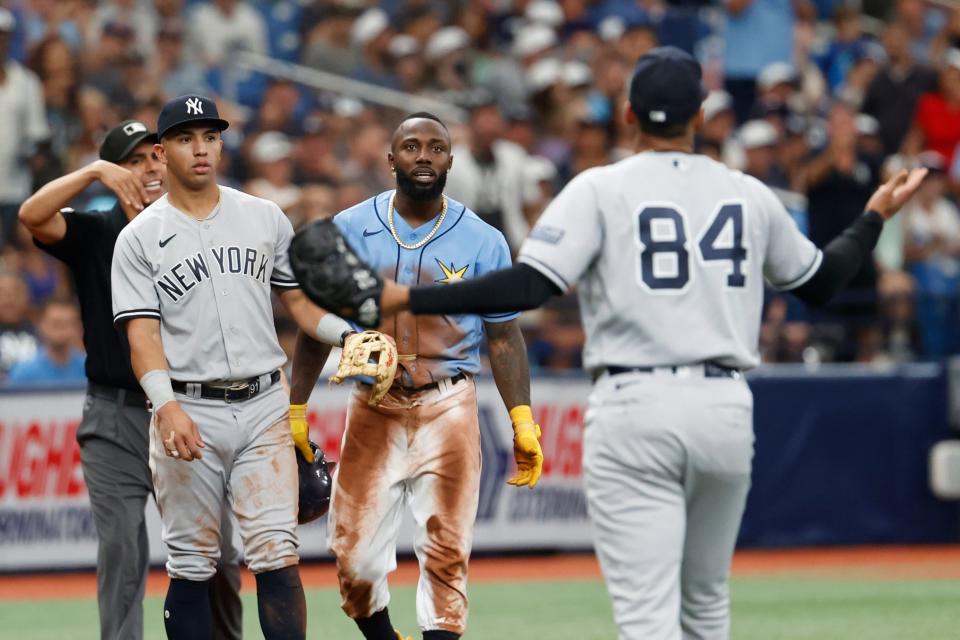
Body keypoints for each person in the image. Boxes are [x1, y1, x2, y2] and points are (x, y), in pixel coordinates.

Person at [304, 48, 927, 640]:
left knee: (642, 609)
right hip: (725, 407)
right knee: (707, 598)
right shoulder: (747, 192)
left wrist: (408, 300)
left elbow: (530, 286)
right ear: (702, 115)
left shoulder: (601, 189)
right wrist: (871, 216)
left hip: (630, 402)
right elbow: (823, 281)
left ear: (628, 113)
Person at [290, 112, 543, 640]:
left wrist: (522, 419)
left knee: (447, 553)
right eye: (410, 147)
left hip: (448, 403)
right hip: (373, 407)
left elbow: (504, 334)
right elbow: (313, 322)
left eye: (435, 147)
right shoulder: (349, 227)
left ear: (451, 160)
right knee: (353, 561)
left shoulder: (484, 239)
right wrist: (296, 408)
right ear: (391, 159)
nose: (423, 156)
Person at [109, 95, 353, 639]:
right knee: (192, 560)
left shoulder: (263, 216)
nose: (201, 148)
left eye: (210, 137)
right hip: (188, 405)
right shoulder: (139, 237)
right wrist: (166, 405)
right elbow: (141, 335)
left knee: (276, 552)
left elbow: (299, 302)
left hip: (264, 401)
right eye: (185, 138)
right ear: (162, 149)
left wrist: (348, 334)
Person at [18, 119, 244, 639]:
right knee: (122, 549)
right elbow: (33, 214)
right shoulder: (96, 232)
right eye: (133, 160)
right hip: (115, 414)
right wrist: (94, 170)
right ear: (116, 173)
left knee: (218, 553)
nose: (149, 168)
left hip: (191, 410)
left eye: (155, 156)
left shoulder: (199, 229)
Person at [5, 297, 84, 384]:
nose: (62, 331)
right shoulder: (24, 372)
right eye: (56, 324)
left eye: (68, 324)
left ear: (78, 327)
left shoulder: (89, 368)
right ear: (41, 325)